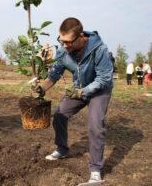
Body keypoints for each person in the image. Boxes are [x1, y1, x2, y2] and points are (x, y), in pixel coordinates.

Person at [32, 17, 113, 184]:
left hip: (99, 90)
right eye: (61, 41)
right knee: (60, 115)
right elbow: (54, 74)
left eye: (68, 42)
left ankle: (96, 170)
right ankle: (62, 149)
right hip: (79, 88)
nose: (64, 46)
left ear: (81, 37)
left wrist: (83, 91)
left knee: (96, 125)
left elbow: (104, 78)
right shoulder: (63, 51)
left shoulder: (100, 49)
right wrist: (42, 89)